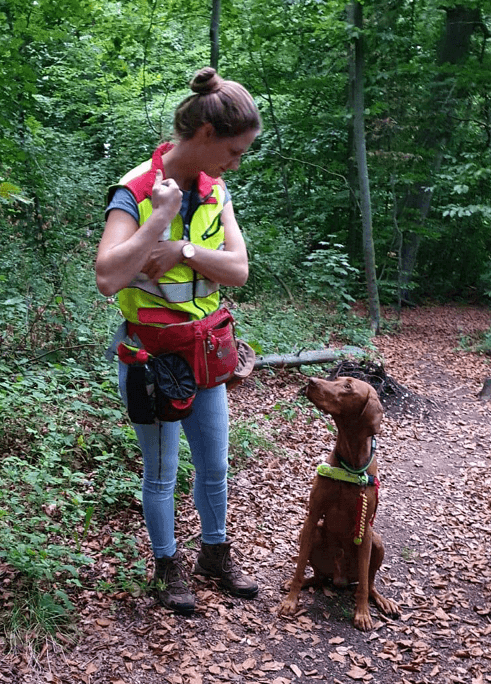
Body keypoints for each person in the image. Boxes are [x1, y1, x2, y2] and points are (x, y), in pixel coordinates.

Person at [95, 67, 261, 616]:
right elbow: (107, 277)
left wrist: (185, 249)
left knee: (215, 467)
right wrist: (158, 221)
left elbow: (237, 269)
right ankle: (168, 566)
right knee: (162, 471)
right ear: (207, 136)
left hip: (206, 349)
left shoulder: (216, 191)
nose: (236, 162)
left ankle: (214, 554)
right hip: (151, 355)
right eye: (235, 151)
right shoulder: (137, 188)